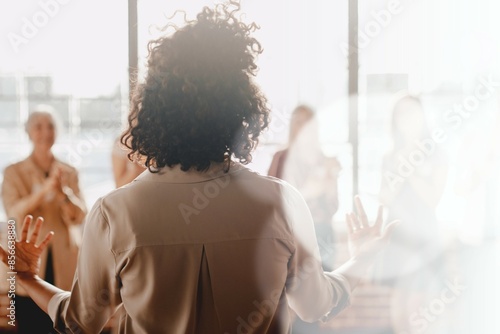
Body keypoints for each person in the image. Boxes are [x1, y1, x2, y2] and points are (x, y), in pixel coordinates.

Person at [0, 3, 397, 333]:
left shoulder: (115, 213)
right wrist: (364, 254)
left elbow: (81, 321)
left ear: (152, 110)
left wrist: (28, 279)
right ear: (241, 108)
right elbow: (316, 305)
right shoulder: (281, 202)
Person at [1, 107, 86, 333]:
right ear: (28, 132)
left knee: (64, 322)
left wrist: (63, 194)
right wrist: (43, 191)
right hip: (28, 255)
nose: (45, 132)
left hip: (64, 258)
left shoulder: (69, 171)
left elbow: (79, 217)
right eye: (38, 126)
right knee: (31, 323)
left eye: (51, 126)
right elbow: (13, 213)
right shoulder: (13, 172)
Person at [268, 105, 341, 272]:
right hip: (290, 234)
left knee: (324, 292)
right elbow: (272, 200)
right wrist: (307, 192)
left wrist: (330, 185)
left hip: (322, 235)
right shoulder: (281, 158)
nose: (304, 126)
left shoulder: (326, 161)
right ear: (293, 126)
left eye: (309, 121)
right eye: (299, 122)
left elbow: (333, 207)